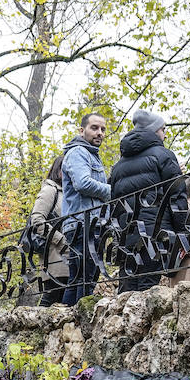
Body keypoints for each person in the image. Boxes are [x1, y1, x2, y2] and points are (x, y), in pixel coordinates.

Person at [108, 109, 182, 292]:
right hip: (155, 234)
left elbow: (114, 205)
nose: (165, 134)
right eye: (163, 129)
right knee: (149, 290)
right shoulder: (163, 155)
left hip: (128, 236)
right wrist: (182, 232)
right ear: (155, 131)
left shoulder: (118, 166)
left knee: (126, 292)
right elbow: (176, 195)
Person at [59, 112, 112, 304]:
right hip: (82, 224)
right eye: (94, 128)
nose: (100, 133)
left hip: (90, 223)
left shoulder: (91, 155)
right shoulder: (78, 152)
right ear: (82, 131)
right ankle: (75, 321)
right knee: (84, 278)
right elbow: (83, 183)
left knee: (82, 278)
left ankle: (66, 322)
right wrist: (112, 191)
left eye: (103, 129)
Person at [24, 155, 70, 305]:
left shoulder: (68, 193)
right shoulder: (50, 190)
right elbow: (37, 220)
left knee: (62, 298)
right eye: (66, 168)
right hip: (54, 255)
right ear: (58, 170)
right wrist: (60, 240)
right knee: (51, 296)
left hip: (66, 256)